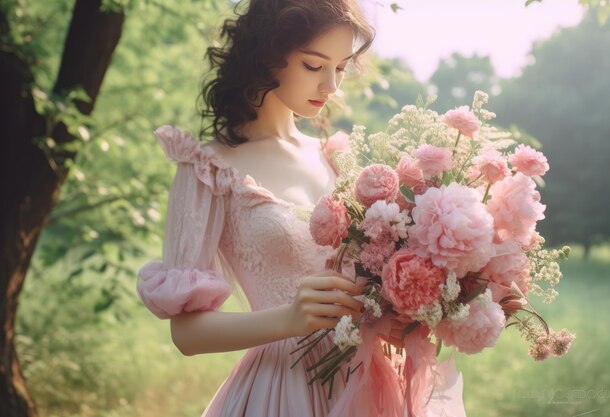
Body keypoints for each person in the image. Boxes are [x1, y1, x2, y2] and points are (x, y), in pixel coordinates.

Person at [136, 1, 465, 416]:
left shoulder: (335, 157)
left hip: (377, 386)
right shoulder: (206, 169)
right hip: (283, 389)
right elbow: (186, 333)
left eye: (341, 67)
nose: (332, 86)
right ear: (268, 55)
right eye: (314, 66)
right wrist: (290, 318)